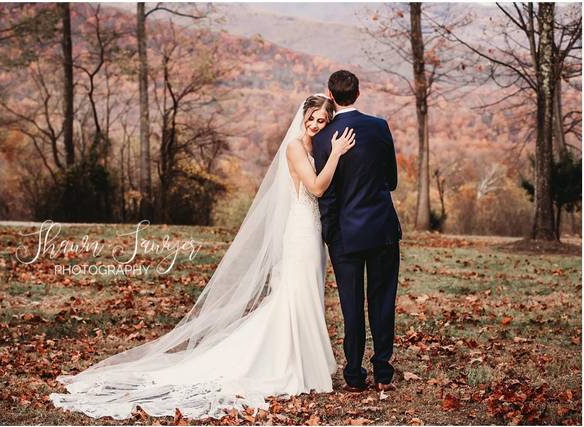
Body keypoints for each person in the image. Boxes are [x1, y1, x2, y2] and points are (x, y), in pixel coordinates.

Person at [49, 94, 355, 420]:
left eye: (322, 121)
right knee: (296, 296)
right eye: (311, 118)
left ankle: (306, 364)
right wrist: (336, 153)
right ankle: (290, 365)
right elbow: (317, 188)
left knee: (304, 295)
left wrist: (331, 153)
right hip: (300, 232)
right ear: (302, 117)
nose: (315, 124)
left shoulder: (313, 148)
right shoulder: (296, 147)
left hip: (312, 230)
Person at [312, 70, 403, 393]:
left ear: (330, 95)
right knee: (382, 300)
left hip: (344, 236)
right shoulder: (379, 127)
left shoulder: (322, 138)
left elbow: (327, 195)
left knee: (351, 305)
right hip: (381, 230)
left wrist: (330, 235)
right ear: (358, 92)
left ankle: (353, 374)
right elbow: (391, 180)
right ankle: (383, 371)